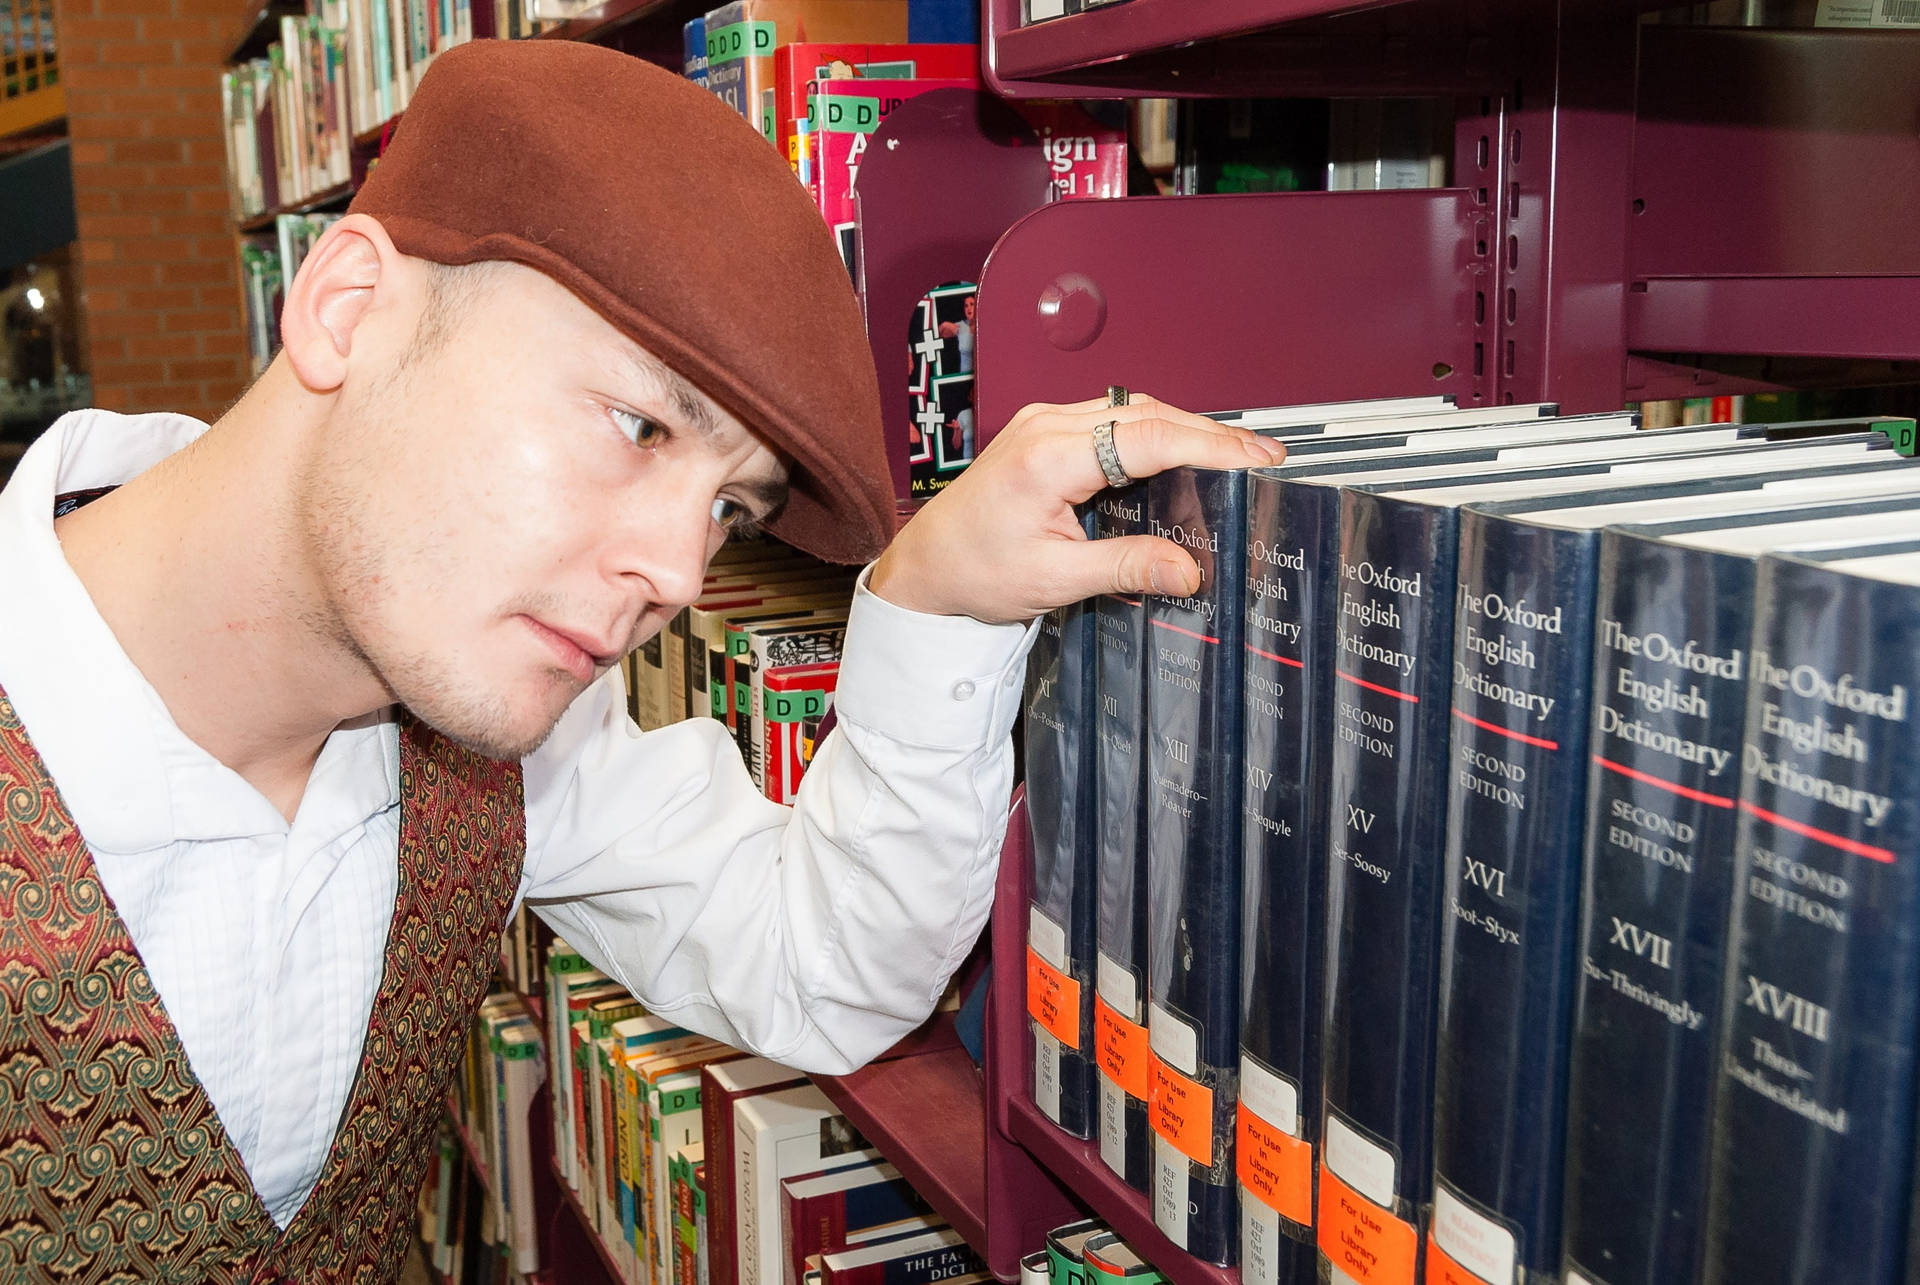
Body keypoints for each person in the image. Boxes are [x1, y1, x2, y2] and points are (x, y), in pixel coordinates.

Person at [0, 39, 1285, 1283]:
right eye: (638, 423)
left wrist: (937, 605)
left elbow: (820, 966)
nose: (678, 574)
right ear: (349, 309)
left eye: (731, 508)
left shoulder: (513, 733)